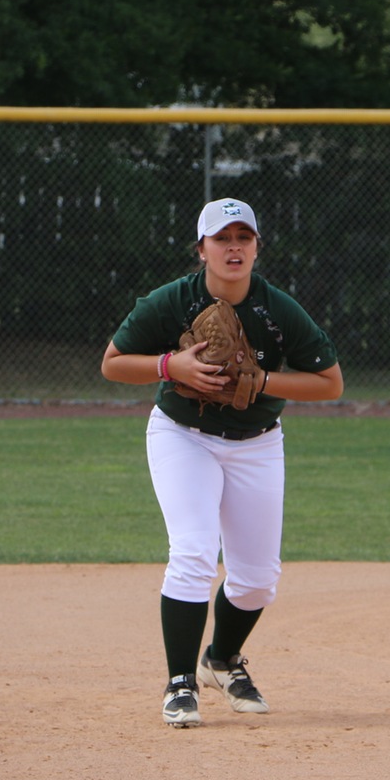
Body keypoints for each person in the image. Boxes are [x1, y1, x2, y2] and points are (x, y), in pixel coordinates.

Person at [101, 198, 342, 728]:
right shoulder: (170, 302)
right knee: (192, 552)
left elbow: (331, 382)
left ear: (256, 246)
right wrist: (171, 364)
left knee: (258, 579)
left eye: (243, 237)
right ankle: (180, 683)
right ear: (202, 248)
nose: (234, 247)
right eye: (222, 238)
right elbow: (113, 364)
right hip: (183, 436)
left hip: (257, 442)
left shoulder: (278, 310)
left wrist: (264, 381)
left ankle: (222, 660)